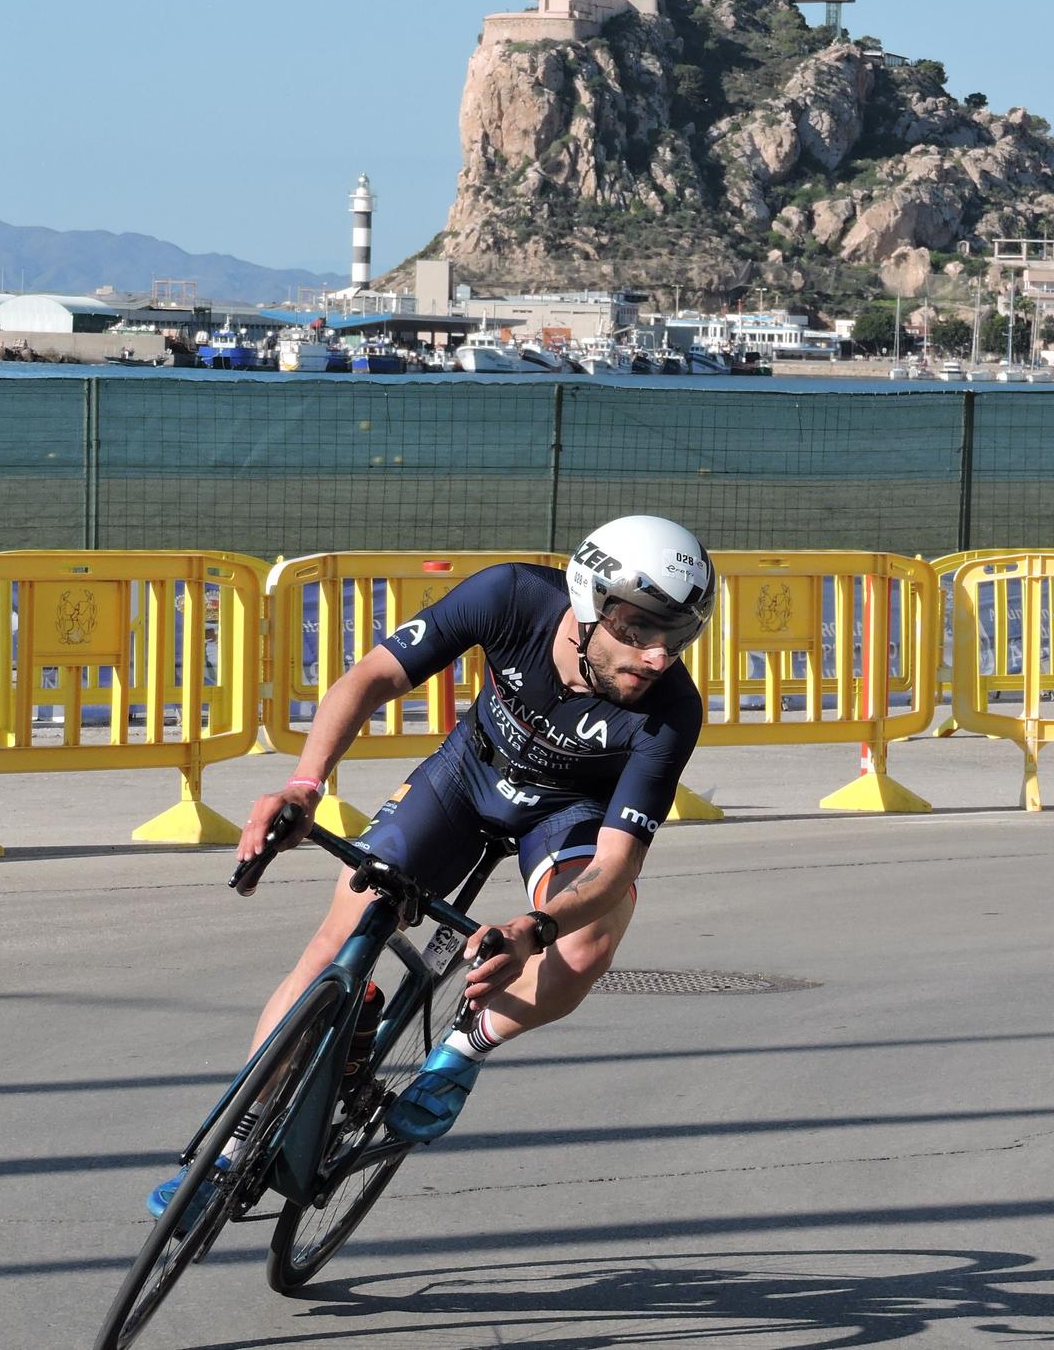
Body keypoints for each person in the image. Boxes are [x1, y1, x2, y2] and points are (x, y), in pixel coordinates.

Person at [147, 515, 714, 1219]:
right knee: (341, 938)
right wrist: (304, 785)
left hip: (570, 812)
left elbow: (615, 862)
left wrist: (533, 928)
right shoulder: (509, 597)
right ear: (587, 601)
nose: (658, 657)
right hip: (466, 775)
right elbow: (373, 676)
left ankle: (461, 1051)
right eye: (637, 630)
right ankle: (228, 1149)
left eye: (677, 637)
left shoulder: (673, 711)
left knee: (591, 938)